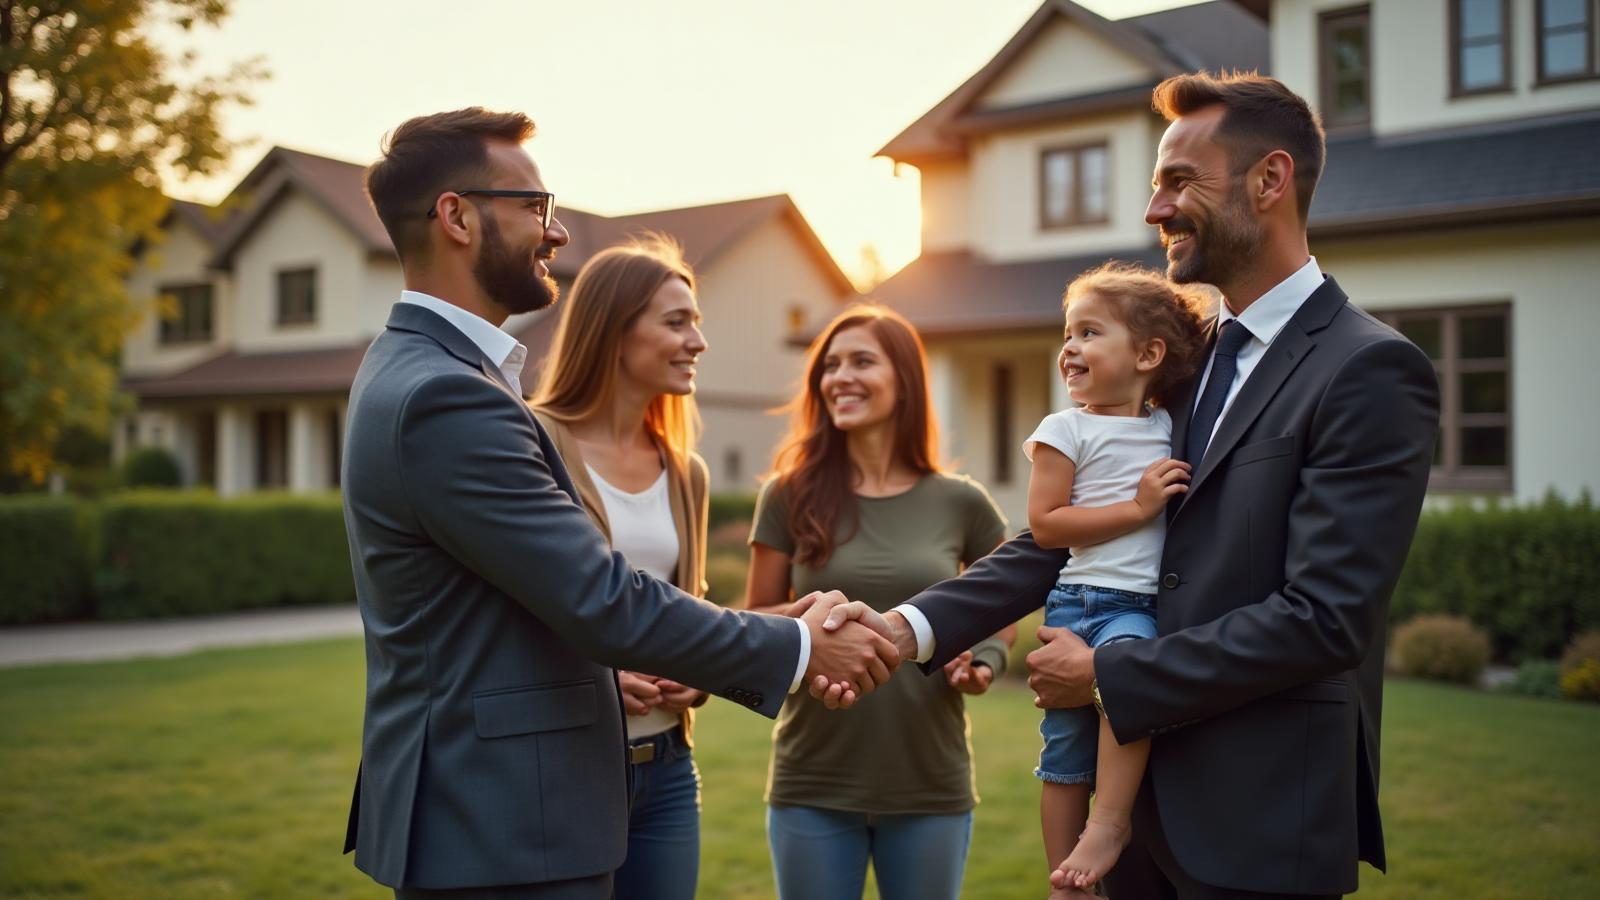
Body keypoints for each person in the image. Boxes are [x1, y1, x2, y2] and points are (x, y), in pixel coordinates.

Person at [824, 71, 1440, 898]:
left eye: (1180, 181)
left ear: (1270, 181)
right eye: (1156, 184)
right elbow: (1073, 530)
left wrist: (1110, 677)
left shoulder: (1368, 369)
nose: (1155, 210)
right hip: (1133, 830)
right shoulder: (1179, 363)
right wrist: (908, 630)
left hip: (1259, 822)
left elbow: (1325, 619)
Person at [340, 107, 899, 900]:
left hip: (518, 812)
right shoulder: (445, 396)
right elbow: (600, 598)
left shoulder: (429, 372)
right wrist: (801, 651)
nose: (556, 232)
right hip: (503, 824)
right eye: (534, 206)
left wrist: (774, 628)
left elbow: (544, 606)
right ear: (456, 216)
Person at [746, 305, 1012, 900]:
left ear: (905, 381)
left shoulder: (961, 502)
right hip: (812, 779)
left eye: (862, 361)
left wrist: (983, 656)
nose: (840, 376)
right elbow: (755, 616)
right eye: (830, 365)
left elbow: (1005, 601)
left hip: (928, 784)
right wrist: (818, 626)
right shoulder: (788, 494)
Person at [527, 235, 714, 900]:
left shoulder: (686, 472)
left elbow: (685, 607)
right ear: (612, 331)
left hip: (667, 767)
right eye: (676, 322)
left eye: (695, 321)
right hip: (566, 766)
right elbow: (507, 608)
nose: (698, 340)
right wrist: (601, 676)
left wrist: (700, 674)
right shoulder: (531, 439)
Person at [1022, 264, 1207, 895]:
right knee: (1064, 758)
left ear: (1148, 354)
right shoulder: (1063, 429)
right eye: (1067, 334)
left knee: (1129, 693)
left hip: (1137, 607)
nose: (1069, 347)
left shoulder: (1169, 429)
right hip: (1078, 603)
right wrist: (1137, 508)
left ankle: (1109, 822)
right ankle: (1065, 883)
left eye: (1090, 332)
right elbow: (1046, 524)